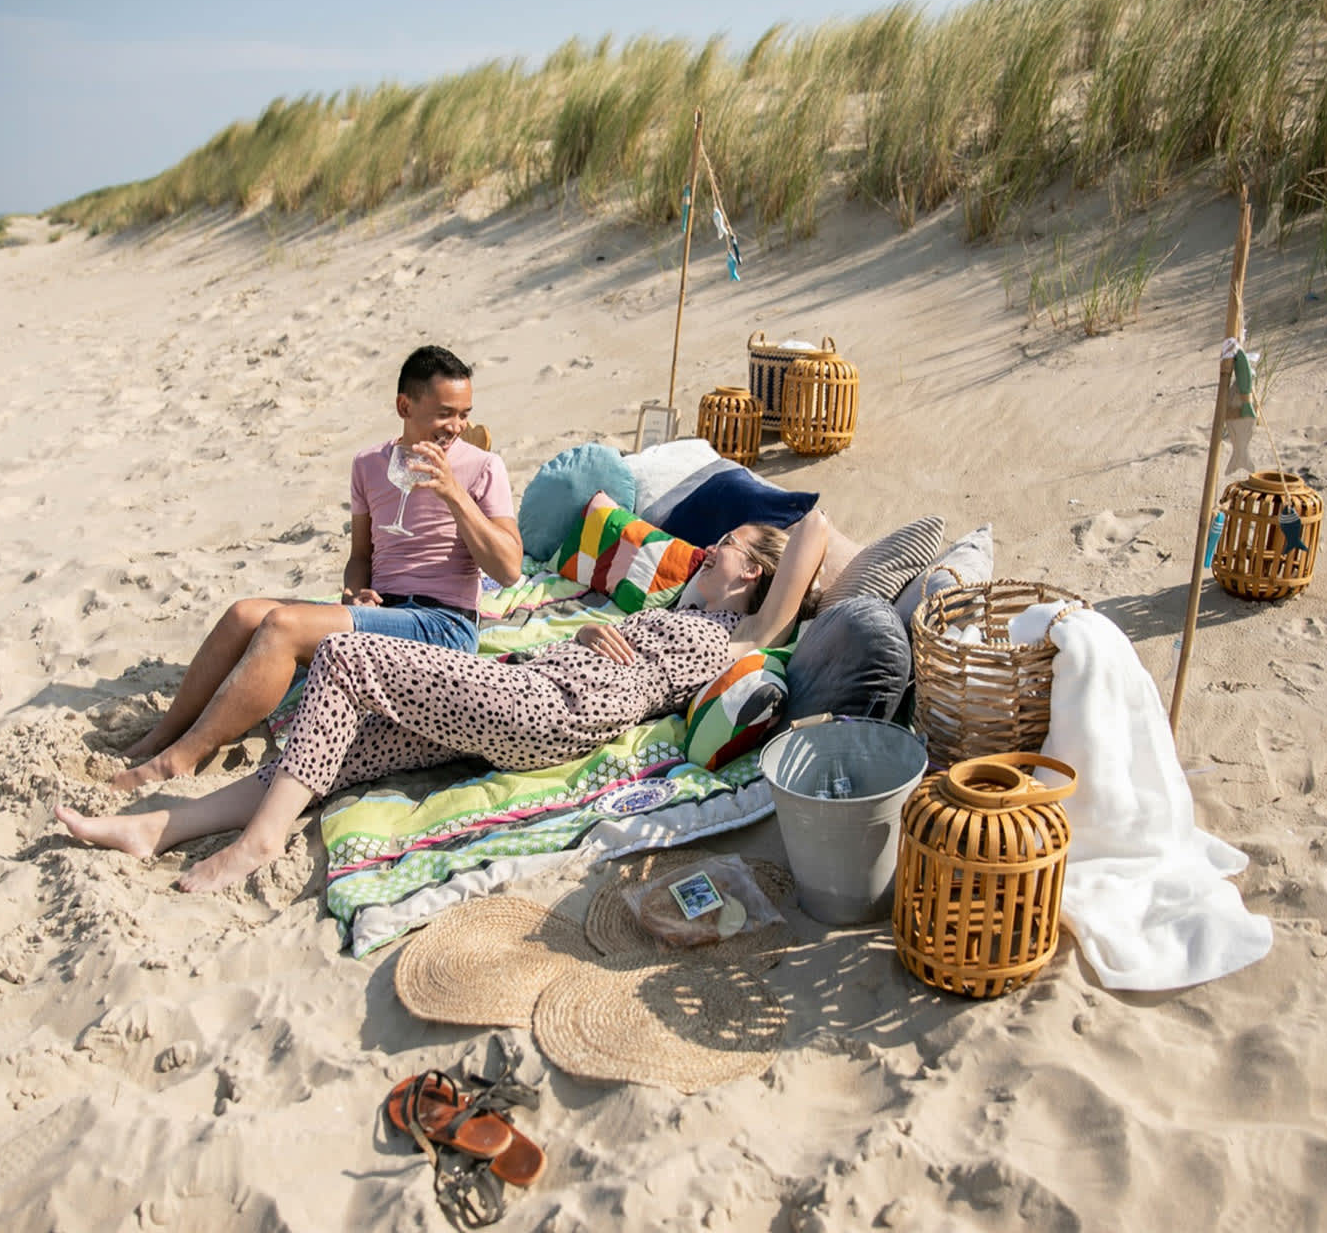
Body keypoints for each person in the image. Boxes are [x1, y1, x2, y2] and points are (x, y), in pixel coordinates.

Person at [57, 508, 830, 893]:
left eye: (726, 544)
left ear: (756, 570)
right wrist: (592, 638)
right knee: (332, 749)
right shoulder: (673, 613)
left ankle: (258, 844)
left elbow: (818, 528)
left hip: (546, 708)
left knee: (347, 655)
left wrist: (777, 543)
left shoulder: (740, 632)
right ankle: (155, 829)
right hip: (529, 694)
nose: (709, 549)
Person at [112, 346, 522, 791]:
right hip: (384, 613)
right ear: (405, 406)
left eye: (464, 414)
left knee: (282, 626)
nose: (457, 427)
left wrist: (453, 494)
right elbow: (361, 557)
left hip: (443, 625)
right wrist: (354, 593)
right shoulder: (368, 465)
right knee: (242, 615)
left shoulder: (484, 468)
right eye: (446, 414)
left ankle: (180, 760)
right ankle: (161, 735)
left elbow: (509, 569)